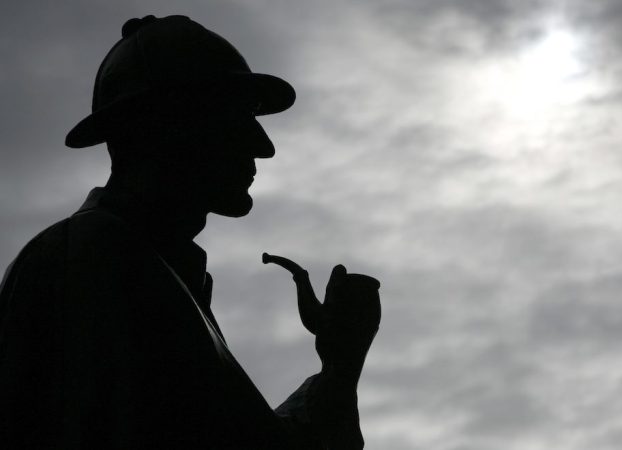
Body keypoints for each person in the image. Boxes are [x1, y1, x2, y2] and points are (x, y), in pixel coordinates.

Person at [0, 15, 380, 449]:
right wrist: (339, 371)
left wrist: (340, 366)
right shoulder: (96, 260)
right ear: (166, 125)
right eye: (235, 115)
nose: (263, 145)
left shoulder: (146, 267)